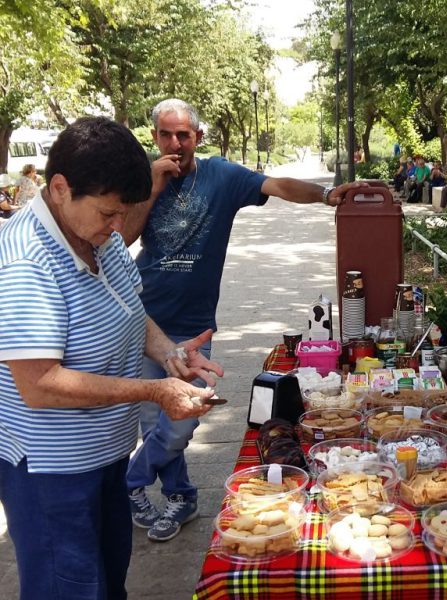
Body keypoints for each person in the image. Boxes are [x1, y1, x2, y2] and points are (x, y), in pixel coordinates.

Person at [121, 98, 364, 543]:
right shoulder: (140, 179)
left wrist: (327, 195)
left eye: (184, 135)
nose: (175, 144)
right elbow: (121, 239)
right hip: (139, 318)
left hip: (193, 326)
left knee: (181, 424)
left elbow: (279, 185)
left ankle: (127, 482)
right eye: (166, 135)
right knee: (154, 423)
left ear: (198, 136)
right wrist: (152, 186)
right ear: (154, 136)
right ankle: (181, 496)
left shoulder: (222, 176)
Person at [0, 117, 223, 600]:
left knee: (107, 582)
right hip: (52, 471)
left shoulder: (100, 235)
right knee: (69, 587)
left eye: (125, 212)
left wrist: (170, 355)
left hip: (105, 456)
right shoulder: (26, 262)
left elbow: (129, 310)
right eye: (108, 213)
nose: (119, 226)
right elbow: (38, 384)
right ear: (59, 189)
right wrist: (154, 391)